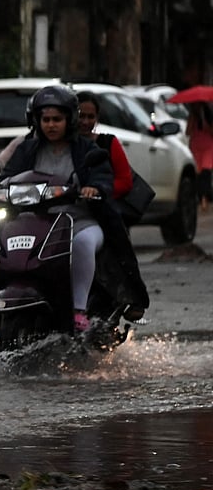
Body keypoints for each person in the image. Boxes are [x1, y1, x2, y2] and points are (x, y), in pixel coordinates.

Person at [0, 85, 113, 333]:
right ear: (36, 121)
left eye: (57, 119)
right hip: (34, 220)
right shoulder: (27, 148)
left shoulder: (86, 149)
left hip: (78, 220)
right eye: (46, 119)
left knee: (83, 243)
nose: (51, 125)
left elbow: (103, 176)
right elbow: (7, 176)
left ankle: (79, 310)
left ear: (69, 120)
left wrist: (94, 187)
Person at [74, 90, 149, 320]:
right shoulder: (61, 144)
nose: (86, 122)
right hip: (66, 212)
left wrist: (97, 193)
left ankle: (133, 298)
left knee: (115, 245)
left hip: (101, 209)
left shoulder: (107, 143)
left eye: (91, 116)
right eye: (81, 116)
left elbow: (124, 181)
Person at [185, 101, 213, 211]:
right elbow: (187, 132)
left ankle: (204, 198)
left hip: (208, 147)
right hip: (195, 147)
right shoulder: (192, 117)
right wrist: (192, 120)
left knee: (206, 172)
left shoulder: (209, 115)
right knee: (197, 173)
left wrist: (206, 124)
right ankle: (200, 196)